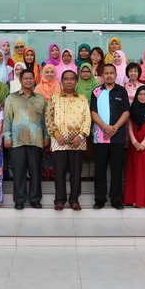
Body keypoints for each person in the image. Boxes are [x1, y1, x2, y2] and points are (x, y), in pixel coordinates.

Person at [45, 70, 91, 210]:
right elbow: (48, 118)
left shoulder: (82, 99)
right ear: (62, 81)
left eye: (72, 79)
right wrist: (57, 135)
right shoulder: (54, 98)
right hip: (59, 140)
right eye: (66, 79)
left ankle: (74, 200)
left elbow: (87, 118)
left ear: (76, 81)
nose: (69, 81)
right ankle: (59, 200)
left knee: (76, 173)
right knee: (59, 172)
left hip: (78, 140)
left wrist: (81, 135)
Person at [4, 69, 48, 210]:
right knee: (19, 172)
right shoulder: (11, 98)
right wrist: (7, 136)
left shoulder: (40, 99)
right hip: (17, 141)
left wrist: (46, 136)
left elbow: (45, 120)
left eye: (31, 78)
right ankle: (19, 200)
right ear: (21, 80)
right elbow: (7, 119)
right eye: (25, 78)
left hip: (36, 140)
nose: (28, 80)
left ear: (34, 80)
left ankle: (35, 199)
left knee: (35, 171)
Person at [90, 64, 130, 209]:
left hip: (117, 137)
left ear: (115, 74)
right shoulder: (96, 92)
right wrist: (105, 127)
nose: (109, 76)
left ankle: (115, 200)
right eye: (106, 73)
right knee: (100, 169)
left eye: (111, 73)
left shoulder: (122, 91)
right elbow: (93, 112)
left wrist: (114, 128)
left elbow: (126, 112)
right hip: (100, 137)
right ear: (102, 75)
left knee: (117, 169)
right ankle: (99, 199)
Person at [123, 86, 145, 208]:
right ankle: (133, 198)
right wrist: (134, 142)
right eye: (140, 94)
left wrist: (143, 144)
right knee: (134, 172)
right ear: (136, 96)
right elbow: (130, 127)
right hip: (135, 146)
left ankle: (144, 200)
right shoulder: (132, 110)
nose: (143, 96)